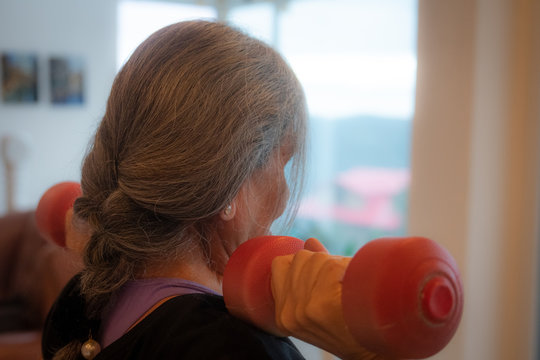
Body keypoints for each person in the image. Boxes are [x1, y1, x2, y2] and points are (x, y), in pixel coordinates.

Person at [41, 20, 389, 360]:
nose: (283, 198)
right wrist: (370, 352)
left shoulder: (79, 303)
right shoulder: (237, 347)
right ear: (231, 189)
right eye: (281, 164)